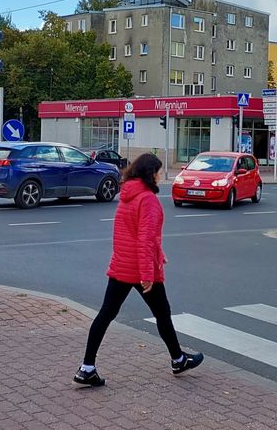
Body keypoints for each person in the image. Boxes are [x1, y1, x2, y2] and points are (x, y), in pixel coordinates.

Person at [74, 153, 203, 387]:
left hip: (121, 266)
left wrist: (158, 254)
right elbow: (144, 238)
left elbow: (129, 235)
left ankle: (87, 367)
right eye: (158, 171)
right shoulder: (147, 200)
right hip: (140, 268)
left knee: (105, 314)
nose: (160, 175)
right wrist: (146, 274)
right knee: (163, 313)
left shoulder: (127, 196)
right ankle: (178, 359)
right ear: (150, 173)